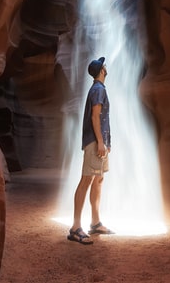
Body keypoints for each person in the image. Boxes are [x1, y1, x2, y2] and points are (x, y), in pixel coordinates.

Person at [67, 56, 115, 244]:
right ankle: (75, 228)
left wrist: (107, 142)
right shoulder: (98, 90)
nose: (106, 67)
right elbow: (95, 117)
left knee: (98, 179)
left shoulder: (99, 89)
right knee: (87, 180)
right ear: (102, 70)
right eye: (104, 65)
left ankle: (95, 222)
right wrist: (101, 142)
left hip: (99, 142)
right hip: (94, 142)